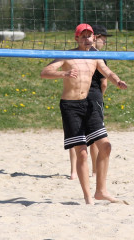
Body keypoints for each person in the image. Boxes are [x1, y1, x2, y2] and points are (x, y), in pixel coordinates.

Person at [41, 23, 127, 204]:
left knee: (106, 146)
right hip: (71, 106)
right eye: (83, 36)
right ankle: (88, 198)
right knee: (82, 153)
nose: (87, 39)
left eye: (89, 36)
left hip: (88, 105)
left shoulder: (95, 56)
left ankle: (101, 191)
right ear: (77, 38)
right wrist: (64, 74)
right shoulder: (67, 55)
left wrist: (118, 81)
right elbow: (45, 72)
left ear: (94, 38)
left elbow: (108, 72)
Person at [68, 24, 111, 180]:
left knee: (76, 137)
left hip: (74, 97)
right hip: (92, 98)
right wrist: (100, 97)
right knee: (94, 138)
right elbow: (104, 83)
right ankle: (94, 171)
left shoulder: (72, 54)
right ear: (96, 37)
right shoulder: (98, 56)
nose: (104, 42)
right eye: (103, 39)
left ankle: (73, 172)